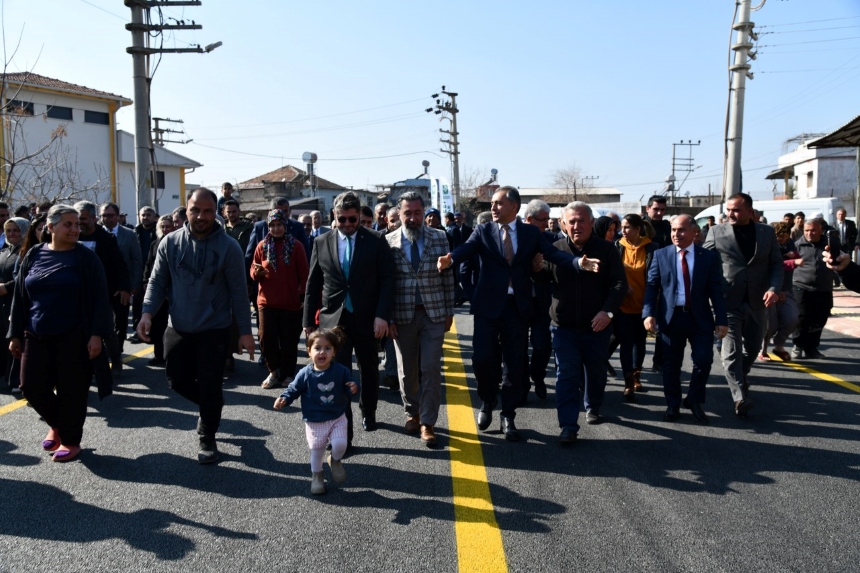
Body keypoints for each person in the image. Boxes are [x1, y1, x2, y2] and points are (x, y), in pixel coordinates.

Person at [438, 189, 601, 441]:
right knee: (482, 359)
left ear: (514, 207)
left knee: (515, 363)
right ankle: (488, 400)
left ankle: (508, 413)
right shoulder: (483, 231)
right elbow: (466, 250)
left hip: (517, 308)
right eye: (491, 204)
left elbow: (553, 253)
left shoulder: (530, 234)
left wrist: (578, 263)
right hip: (488, 308)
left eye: (498, 203)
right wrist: (449, 259)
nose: (493, 208)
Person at [137, 188, 256, 464]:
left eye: (207, 210)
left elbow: (239, 293)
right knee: (176, 380)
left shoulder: (229, 247)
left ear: (216, 212)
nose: (201, 216)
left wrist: (246, 333)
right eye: (195, 210)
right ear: (186, 210)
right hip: (178, 326)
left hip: (215, 329)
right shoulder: (170, 243)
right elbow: (156, 282)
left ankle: (207, 437)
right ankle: (212, 404)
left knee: (210, 383)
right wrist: (146, 313)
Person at [8, 205, 113, 462]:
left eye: (77, 224)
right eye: (69, 224)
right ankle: (56, 424)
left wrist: (97, 334)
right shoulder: (33, 253)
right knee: (30, 386)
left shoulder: (85, 257)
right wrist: (14, 334)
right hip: (35, 332)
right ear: (50, 227)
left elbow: (100, 298)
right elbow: (20, 296)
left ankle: (70, 440)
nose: (76, 229)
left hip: (74, 335)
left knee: (72, 390)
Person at [304, 191, 394, 448]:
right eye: (341, 219)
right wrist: (308, 321)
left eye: (352, 219)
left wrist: (382, 316)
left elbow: (388, 280)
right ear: (334, 216)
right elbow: (313, 284)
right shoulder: (321, 241)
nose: (347, 225)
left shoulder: (376, 240)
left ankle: (369, 410)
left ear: (358, 216)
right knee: (338, 375)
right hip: (335, 321)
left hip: (368, 318)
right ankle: (345, 434)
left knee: (368, 369)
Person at [537, 202, 626, 443]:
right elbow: (542, 279)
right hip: (563, 327)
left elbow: (619, 285)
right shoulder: (555, 249)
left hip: (596, 327)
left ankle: (593, 404)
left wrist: (607, 313)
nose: (576, 226)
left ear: (590, 223)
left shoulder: (606, 251)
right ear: (564, 224)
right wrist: (536, 269)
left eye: (581, 221)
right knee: (566, 375)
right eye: (571, 221)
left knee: (595, 372)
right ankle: (567, 426)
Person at [643, 215, 728, 424]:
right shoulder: (661, 255)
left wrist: (721, 319)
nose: (676, 234)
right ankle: (672, 404)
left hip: (699, 318)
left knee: (703, 360)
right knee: (671, 364)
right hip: (671, 318)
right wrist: (649, 313)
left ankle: (694, 400)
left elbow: (716, 289)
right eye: (673, 230)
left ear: (694, 232)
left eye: (681, 230)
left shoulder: (708, 257)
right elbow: (652, 286)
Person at [703, 193, 782, 417]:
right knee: (731, 352)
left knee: (754, 347)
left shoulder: (767, 232)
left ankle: (741, 375)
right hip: (728, 301)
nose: (730, 214)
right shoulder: (716, 232)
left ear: (749, 211)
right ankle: (739, 397)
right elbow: (704, 262)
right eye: (728, 210)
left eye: (735, 210)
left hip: (758, 300)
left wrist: (774, 288)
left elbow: (776, 264)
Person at [386, 191, 455, 447]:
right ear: (400, 214)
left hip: (433, 313)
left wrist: (449, 311)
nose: (413, 218)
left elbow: (448, 277)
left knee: (430, 368)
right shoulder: (389, 241)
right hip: (402, 315)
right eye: (407, 213)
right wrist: (387, 316)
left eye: (417, 213)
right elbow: (387, 283)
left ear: (424, 213)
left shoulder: (440, 238)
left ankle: (428, 422)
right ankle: (411, 412)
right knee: (407, 372)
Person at [275, 328, 358, 495]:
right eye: (317, 348)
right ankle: (317, 475)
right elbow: (294, 388)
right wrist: (285, 398)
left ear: (334, 352)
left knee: (341, 444)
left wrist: (353, 387)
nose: (322, 352)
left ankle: (335, 460)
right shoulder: (305, 373)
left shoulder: (340, 371)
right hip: (315, 419)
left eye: (327, 348)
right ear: (309, 351)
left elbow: (350, 386)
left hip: (337, 416)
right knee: (317, 449)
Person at [252, 209, 309, 389]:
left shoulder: (296, 246)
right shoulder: (262, 246)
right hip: (266, 301)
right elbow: (253, 269)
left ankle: (288, 373)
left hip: (290, 303)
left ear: (285, 226)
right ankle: (274, 371)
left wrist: (303, 297)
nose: (276, 229)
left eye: (279, 225)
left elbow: (304, 274)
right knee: (265, 338)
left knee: (289, 341)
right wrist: (256, 273)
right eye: (272, 225)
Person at [75, 201, 131, 379]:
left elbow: (119, 265)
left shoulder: (106, 239)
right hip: (78, 293)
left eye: (82, 219)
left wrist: (123, 287)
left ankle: (115, 360)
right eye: (76, 219)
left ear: (93, 218)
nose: (79, 223)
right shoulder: (72, 237)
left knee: (106, 330)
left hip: (103, 292)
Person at [614, 214, 657, 400]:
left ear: (638, 229)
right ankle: (628, 381)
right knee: (625, 343)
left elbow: (656, 277)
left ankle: (637, 374)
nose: (623, 231)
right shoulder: (617, 247)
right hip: (623, 305)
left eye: (627, 227)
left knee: (640, 343)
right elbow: (613, 272)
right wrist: (623, 285)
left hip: (644, 305)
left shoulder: (652, 248)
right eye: (622, 227)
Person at [100, 202, 143, 373]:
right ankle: (110, 352)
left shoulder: (129, 235)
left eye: (110, 215)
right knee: (104, 322)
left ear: (118, 216)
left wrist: (134, 284)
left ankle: (116, 352)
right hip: (102, 287)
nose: (107, 219)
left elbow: (136, 260)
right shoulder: (96, 234)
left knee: (121, 322)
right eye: (104, 215)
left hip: (123, 287)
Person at [518, 200, 554, 402]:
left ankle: (538, 376)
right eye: (543, 220)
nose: (547, 224)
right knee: (519, 346)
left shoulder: (551, 239)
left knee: (542, 345)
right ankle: (523, 385)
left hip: (543, 302)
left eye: (548, 219)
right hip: (519, 302)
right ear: (529, 219)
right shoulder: (516, 239)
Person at [791, 218, 832, 359]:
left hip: (824, 288)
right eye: (807, 230)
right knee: (802, 318)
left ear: (821, 230)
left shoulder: (828, 246)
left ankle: (811, 348)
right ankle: (798, 345)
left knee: (820, 318)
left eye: (813, 230)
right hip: (801, 287)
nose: (809, 233)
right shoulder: (796, 245)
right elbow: (784, 262)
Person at [760, 222, 801, 362]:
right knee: (769, 324)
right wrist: (776, 289)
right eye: (779, 237)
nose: (782, 240)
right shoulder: (766, 246)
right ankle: (762, 350)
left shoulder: (789, 244)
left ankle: (779, 346)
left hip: (787, 290)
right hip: (769, 290)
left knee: (792, 318)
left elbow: (795, 256)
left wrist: (793, 256)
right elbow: (771, 267)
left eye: (785, 236)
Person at [141, 215, 176, 366]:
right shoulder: (155, 243)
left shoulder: (176, 244)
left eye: (168, 226)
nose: (165, 229)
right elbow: (149, 265)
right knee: (157, 325)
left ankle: (170, 356)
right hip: (157, 291)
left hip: (171, 293)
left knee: (169, 326)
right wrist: (145, 281)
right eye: (162, 226)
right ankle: (158, 355)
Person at [0, 217, 29, 393]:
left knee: (16, 340)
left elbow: (24, 278)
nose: (12, 234)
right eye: (8, 230)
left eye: (16, 230)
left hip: (15, 302)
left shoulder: (27, 252)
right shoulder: (4, 252)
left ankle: (19, 379)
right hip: (1, 303)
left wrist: (6, 287)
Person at [131, 206, 158, 338]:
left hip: (153, 271)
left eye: (148, 215)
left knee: (153, 303)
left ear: (153, 217)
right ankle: (138, 331)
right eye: (143, 215)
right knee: (137, 302)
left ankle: (151, 331)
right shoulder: (135, 232)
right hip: (138, 271)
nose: (145, 217)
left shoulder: (158, 231)